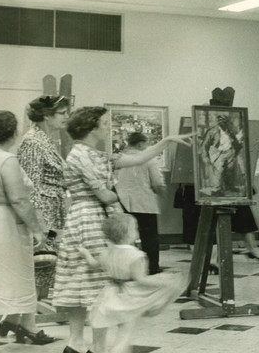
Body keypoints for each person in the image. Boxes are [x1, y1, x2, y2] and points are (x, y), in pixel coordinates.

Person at [52, 106, 192, 353]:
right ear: (91, 127)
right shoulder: (81, 155)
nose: (107, 127)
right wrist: (118, 207)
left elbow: (138, 157)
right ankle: (89, 345)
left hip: (88, 216)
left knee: (85, 279)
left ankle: (80, 344)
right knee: (93, 281)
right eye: (104, 123)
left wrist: (167, 140)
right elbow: (104, 195)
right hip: (90, 216)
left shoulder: (93, 153)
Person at [0, 95, 70, 345]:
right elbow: (31, 187)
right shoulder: (32, 142)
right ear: (47, 115)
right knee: (39, 266)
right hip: (43, 214)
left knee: (42, 268)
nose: (66, 117)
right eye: (62, 113)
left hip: (52, 210)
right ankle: (27, 324)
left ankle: (16, 320)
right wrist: (42, 228)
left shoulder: (45, 139)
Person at [78, 213, 187, 353]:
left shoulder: (105, 252)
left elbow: (93, 264)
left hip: (108, 295)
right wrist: (164, 280)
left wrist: (86, 254)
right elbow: (141, 280)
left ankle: (97, 349)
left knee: (99, 329)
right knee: (124, 335)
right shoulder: (137, 256)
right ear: (130, 234)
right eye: (135, 228)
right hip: (128, 297)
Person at [0, 111, 46, 353]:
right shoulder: (6, 160)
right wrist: (37, 229)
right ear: (11, 133)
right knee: (1, 283)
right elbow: (19, 200)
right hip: (3, 224)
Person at [115, 132, 166, 275]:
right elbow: (157, 181)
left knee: (125, 237)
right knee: (149, 237)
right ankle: (151, 268)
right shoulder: (148, 158)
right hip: (144, 202)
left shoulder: (119, 158)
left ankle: (125, 268)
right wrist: (161, 191)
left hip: (122, 201)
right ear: (140, 144)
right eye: (146, 143)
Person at [200, 114, 242, 197]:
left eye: (224, 121)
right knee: (218, 171)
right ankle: (216, 190)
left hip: (229, 152)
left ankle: (229, 187)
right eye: (220, 121)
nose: (222, 123)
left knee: (229, 170)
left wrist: (236, 151)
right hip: (218, 153)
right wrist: (205, 156)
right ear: (218, 122)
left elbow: (236, 142)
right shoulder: (212, 131)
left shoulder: (229, 131)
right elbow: (205, 145)